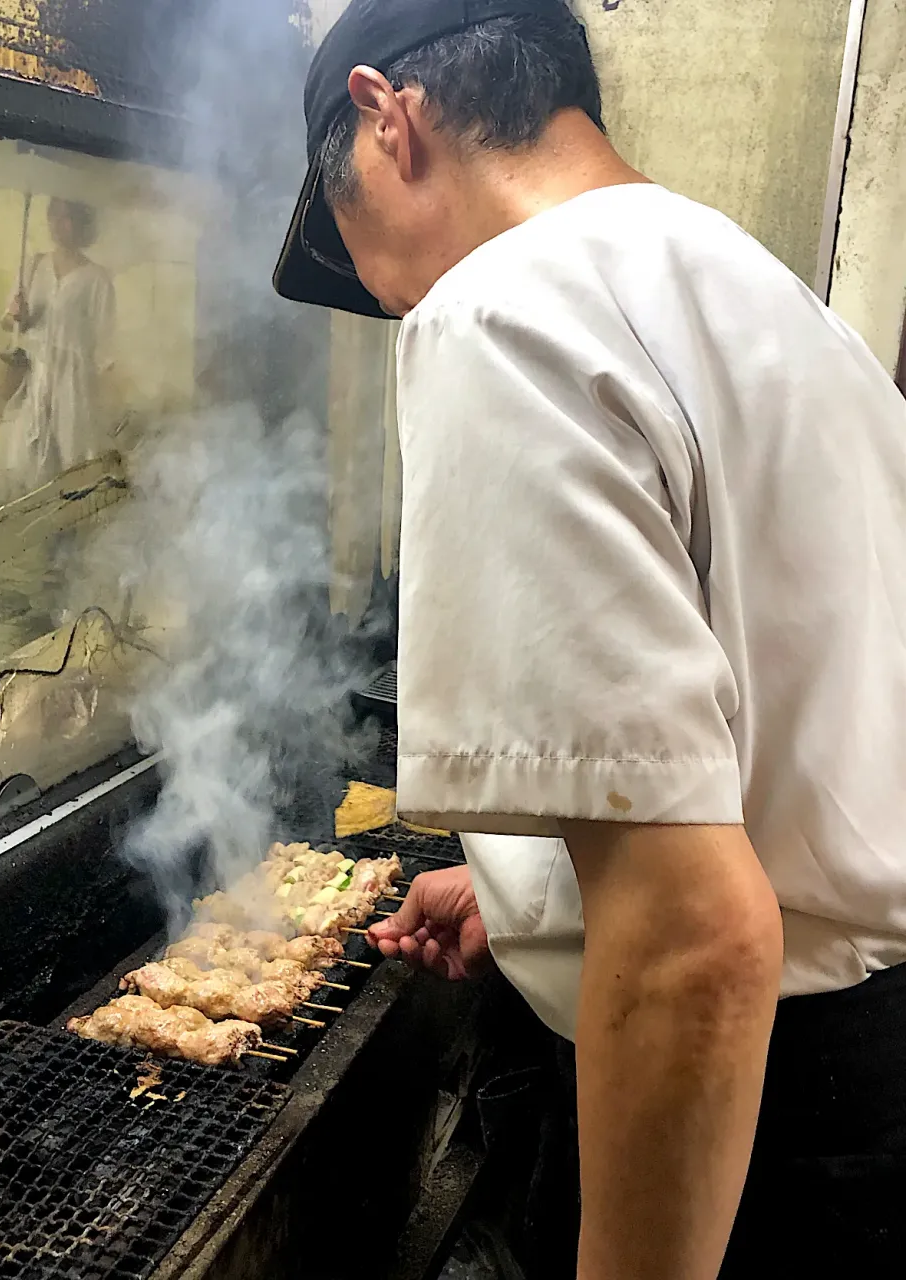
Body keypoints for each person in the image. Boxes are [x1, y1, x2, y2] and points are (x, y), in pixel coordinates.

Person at [273, 2, 906, 1276]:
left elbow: (697, 935)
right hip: (860, 1091)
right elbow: (784, 748)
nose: (390, 300)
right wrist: (535, 899)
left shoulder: (497, 311)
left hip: (735, 1116)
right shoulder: (766, 297)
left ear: (385, 117)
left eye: (354, 249)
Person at [0, 196, 116, 504]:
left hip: (73, 382)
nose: (59, 224)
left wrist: (99, 396)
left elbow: (105, 345)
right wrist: (16, 315)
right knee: (30, 457)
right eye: (54, 216)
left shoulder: (97, 279)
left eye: (67, 217)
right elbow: (8, 324)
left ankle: (67, 536)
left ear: (81, 223)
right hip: (36, 376)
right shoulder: (34, 266)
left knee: (71, 457)